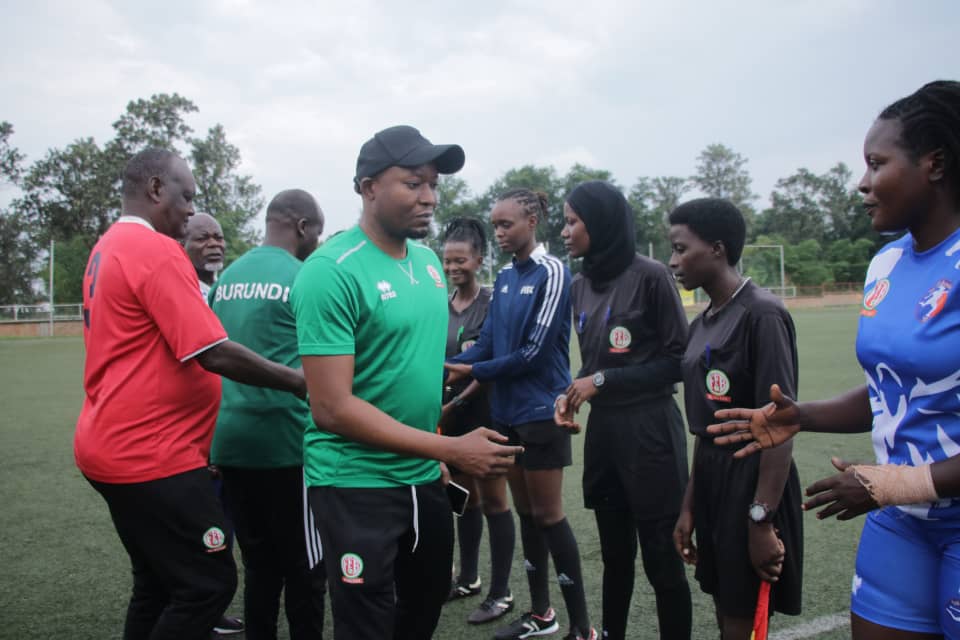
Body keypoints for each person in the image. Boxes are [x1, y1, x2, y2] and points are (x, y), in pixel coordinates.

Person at [707, 80, 960, 639]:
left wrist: (893, 485)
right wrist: (802, 416)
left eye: (877, 164)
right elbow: (892, 393)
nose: (863, 184)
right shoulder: (887, 263)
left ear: (935, 164)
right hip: (901, 524)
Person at [290, 125, 522, 640]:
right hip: (354, 484)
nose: (430, 198)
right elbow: (330, 407)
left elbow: (409, 373)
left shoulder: (429, 266)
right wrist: (449, 446)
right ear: (368, 187)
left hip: (423, 476)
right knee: (367, 626)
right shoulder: (331, 271)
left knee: (420, 613)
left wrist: (435, 455)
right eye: (413, 183)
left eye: (433, 185)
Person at [75, 148, 306, 640]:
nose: (189, 211)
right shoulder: (155, 250)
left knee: (157, 585)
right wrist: (302, 382)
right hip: (151, 454)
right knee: (207, 585)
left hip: (110, 445)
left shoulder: (107, 245)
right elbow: (213, 352)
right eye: (187, 197)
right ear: (157, 190)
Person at [447, 188, 596, 640]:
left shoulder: (554, 272)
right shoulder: (507, 276)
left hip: (542, 412)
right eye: (494, 225)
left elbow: (531, 352)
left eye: (506, 224)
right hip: (506, 414)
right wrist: (457, 366)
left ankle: (583, 628)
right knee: (528, 516)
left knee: (550, 516)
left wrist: (472, 367)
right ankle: (541, 614)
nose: (499, 233)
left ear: (532, 222)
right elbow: (490, 339)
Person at [554, 180, 692, 640]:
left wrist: (601, 381)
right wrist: (572, 393)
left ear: (603, 223)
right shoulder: (578, 285)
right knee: (615, 557)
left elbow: (679, 361)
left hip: (651, 432)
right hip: (606, 434)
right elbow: (594, 365)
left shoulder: (651, 275)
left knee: (662, 562)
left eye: (573, 221)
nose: (565, 230)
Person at [667, 198, 803, 640]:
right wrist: (690, 504)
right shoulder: (702, 320)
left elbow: (780, 428)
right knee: (726, 605)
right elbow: (706, 428)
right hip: (711, 476)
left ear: (718, 249)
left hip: (753, 479)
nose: (673, 261)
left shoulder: (761, 313)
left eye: (681, 248)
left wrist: (761, 518)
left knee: (744, 614)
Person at [208, 189, 327, 640]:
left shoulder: (227, 279)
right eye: (316, 231)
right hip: (288, 443)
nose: (316, 241)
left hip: (232, 443)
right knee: (305, 569)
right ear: (302, 227)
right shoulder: (305, 276)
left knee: (258, 566)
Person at [438, 217, 517, 625]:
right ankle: (467, 577)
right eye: (447, 260)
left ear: (479, 259)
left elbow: (490, 367)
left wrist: (455, 404)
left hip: (486, 416)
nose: (453, 267)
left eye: (460, 260)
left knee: (494, 500)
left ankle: (501, 593)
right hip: (448, 422)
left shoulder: (494, 302)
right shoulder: (441, 305)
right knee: (460, 498)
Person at [182, 211, 245, 638]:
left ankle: (211, 608)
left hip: (225, 430)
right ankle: (196, 608)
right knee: (202, 528)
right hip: (192, 440)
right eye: (202, 237)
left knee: (226, 526)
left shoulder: (223, 291)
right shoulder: (183, 291)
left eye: (219, 237)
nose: (214, 244)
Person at [183, 212, 226, 298]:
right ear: (182, 244)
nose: (214, 243)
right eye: (202, 239)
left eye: (219, 238)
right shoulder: (177, 290)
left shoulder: (229, 289)